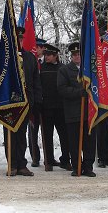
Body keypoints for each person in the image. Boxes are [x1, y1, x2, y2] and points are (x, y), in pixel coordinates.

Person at [3, 27, 42, 176]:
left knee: (21, 135)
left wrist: (37, 101)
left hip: (26, 102)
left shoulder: (30, 58)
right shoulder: (4, 57)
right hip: (9, 103)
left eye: (20, 39)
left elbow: (35, 81)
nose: (19, 41)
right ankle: (12, 164)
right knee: (10, 134)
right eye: (16, 39)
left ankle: (21, 164)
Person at [57, 42, 97, 177]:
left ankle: (88, 167)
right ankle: (77, 166)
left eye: (79, 54)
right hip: (73, 112)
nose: (77, 57)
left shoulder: (91, 69)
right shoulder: (64, 70)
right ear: (71, 56)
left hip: (89, 112)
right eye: (74, 55)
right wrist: (79, 92)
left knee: (89, 142)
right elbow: (62, 89)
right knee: (74, 142)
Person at [40, 43, 70, 171]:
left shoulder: (63, 68)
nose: (47, 57)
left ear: (56, 56)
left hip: (61, 107)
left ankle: (65, 160)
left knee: (64, 135)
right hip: (46, 107)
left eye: (50, 55)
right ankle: (49, 160)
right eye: (46, 54)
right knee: (47, 135)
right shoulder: (41, 68)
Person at [28, 37, 47, 166]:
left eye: (39, 48)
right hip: (34, 101)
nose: (37, 50)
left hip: (47, 102)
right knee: (32, 131)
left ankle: (49, 157)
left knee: (47, 131)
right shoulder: (29, 62)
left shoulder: (48, 63)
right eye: (35, 47)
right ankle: (35, 157)